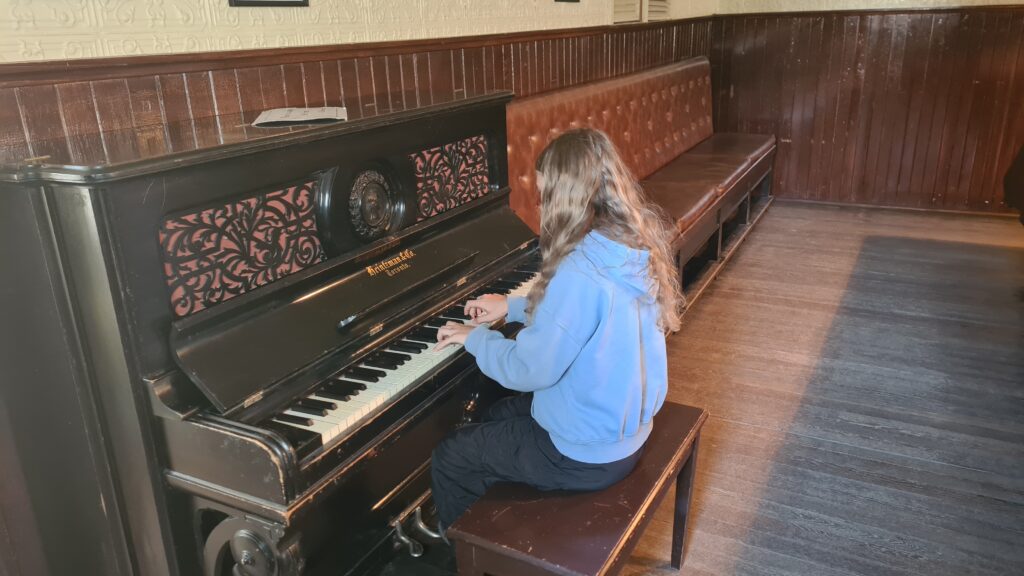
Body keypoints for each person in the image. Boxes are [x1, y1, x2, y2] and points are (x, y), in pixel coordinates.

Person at [429, 128, 684, 534]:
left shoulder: (581, 271)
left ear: (567, 199)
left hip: (584, 455)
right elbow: (580, 318)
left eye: (545, 193)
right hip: (622, 429)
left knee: (452, 457)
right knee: (494, 414)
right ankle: (493, 516)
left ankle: (469, 550)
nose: (542, 204)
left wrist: (474, 337)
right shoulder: (628, 247)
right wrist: (511, 306)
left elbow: (527, 370)